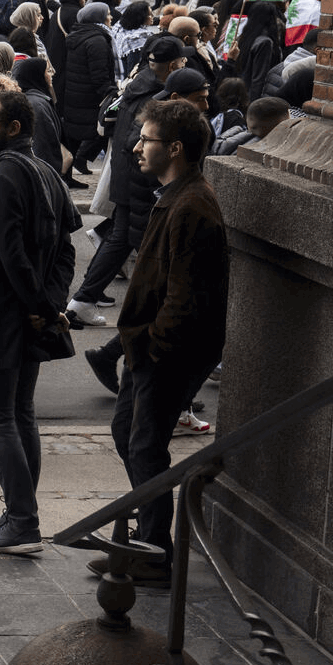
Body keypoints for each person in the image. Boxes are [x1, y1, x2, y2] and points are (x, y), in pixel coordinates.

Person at [101, 98, 229, 583]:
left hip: (168, 352)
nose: (136, 147)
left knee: (144, 443)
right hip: (151, 348)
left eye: (146, 139)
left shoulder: (192, 206)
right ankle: (151, 534)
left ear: (174, 148)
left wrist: (154, 348)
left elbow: (185, 297)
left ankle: (154, 550)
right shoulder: (177, 196)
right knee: (129, 435)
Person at [0, 91, 79, 554]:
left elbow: (13, 257)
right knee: (21, 414)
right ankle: (18, 510)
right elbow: (65, 252)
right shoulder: (46, 170)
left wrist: (40, 305)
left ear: (15, 128)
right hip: (26, 317)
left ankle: (23, 521)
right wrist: (49, 304)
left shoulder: (3, 175)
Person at [68, 37, 188, 325]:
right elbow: (139, 141)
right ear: (172, 65)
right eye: (182, 62)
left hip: (126, 173)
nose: (185, 65)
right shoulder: (157, 95)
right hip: (139, 177)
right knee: (138, 242)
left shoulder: (138, 83)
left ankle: (83, 299)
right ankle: (92, 302)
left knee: (121, 239)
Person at [60, 0, 117, 183]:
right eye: (107, 14)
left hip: (77, 94)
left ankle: (69, 171)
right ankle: (73, 166)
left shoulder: (81, 35)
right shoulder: (97, 40)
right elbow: (99, 73)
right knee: (102, 129)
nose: (111, 17)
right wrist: (110, 92)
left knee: (76, 135)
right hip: (90, 97)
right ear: (98, 18)